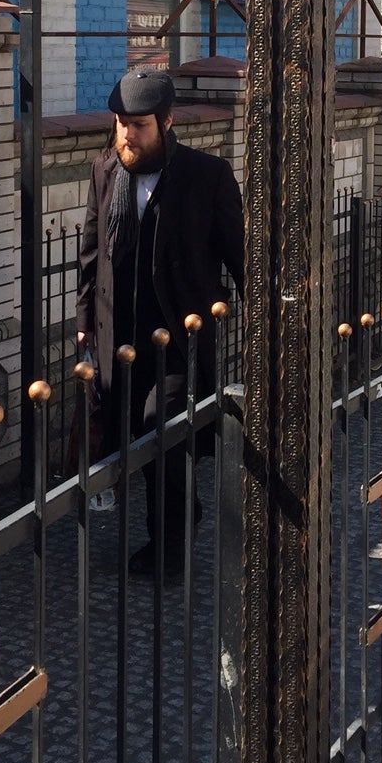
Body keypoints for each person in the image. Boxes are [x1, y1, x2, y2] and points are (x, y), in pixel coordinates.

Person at [77, 67, 243, 577]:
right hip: (118, 341)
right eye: (121, 123)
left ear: (167, 123)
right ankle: (179, 514)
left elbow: (241, 258)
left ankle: (168, 548)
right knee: (137, 444)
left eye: (140, 125)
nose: (127, 134)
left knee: (161, 433)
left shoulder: (206, 177)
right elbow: (90, 254)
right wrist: (84, 325)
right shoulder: (106, 171)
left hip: (178, 341)